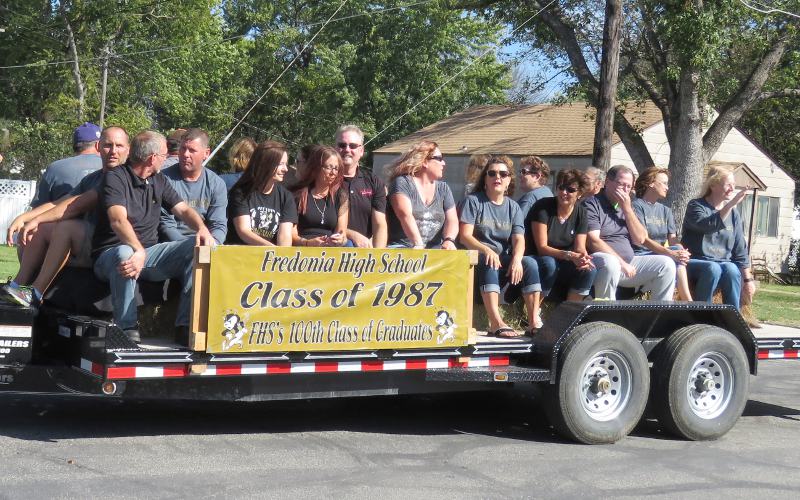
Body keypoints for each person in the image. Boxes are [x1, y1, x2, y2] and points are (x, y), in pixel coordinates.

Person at [92, 131, 215, 343]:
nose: (169, 159)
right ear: (152, 158)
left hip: (147, 255)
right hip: (110, 255)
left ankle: (185, 326)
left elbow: (184, 210)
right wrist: (138, 250)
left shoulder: (158, 180)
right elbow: (118, 220)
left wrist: (202, 229)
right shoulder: (115, 177)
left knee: (195, 248)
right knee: (125, 252)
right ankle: (127, 328)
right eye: (165, 155)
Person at [1, 127, 130, 308]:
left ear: (128, 149)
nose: (113, 151)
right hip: (90, 240)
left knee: (65, 226)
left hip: (110, 245)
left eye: (119, 146)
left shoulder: (124, 177)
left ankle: (36, 293)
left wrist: (37, 219)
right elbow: (59, 203)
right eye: (108, 145)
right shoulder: (93, 178)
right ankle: (16, 287)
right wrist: (25, 218)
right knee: (41, 228)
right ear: (98, 147)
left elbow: (73, 207)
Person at [459, 156, 543, 337]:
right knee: (491, 260)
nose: (497, 177)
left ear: (508, 181)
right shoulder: (473, 201)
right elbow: (465, 236)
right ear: (485, 179)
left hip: (502, 258)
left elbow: (519, 240)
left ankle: (533, 321)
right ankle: (495, 322)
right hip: (476, 258)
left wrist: (517, 260)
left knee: (530, 263)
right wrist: (486, 249)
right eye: (492, 173)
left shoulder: (513, 207)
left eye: (503, 174)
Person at [584, 165, 676, 300]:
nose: (625, 190)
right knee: (611, 262)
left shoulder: (628, 206)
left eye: (629, 186)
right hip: (601, 261)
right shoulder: (592, 204)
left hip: (629, 262)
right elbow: (593, 241)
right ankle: (605, 313)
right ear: (607, 182)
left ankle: (658, 314)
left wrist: (627, 209)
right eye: (621, 185)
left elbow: (640, 239)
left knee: (666, 264)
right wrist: (622, 263)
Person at [682, 165, 755, 310]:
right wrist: (732, 204)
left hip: (723, 262)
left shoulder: (734, 214)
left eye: (734, 185)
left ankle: (733, 320)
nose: (732, 189)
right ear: (713, 185)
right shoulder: (696, 206)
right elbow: (708, 225)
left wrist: (747, 280)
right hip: (696, 261)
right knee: (713, 268)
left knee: (732, 269)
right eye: (728, 184)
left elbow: (740, 248)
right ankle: (701, 315)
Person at [529, 169, 596, 302]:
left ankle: (569, 312)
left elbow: (580, 247)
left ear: (579, 194)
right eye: (561, 187)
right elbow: (542, 248)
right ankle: (533, 311)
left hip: (564, 260)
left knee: (588, 270)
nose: (564, 193)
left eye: (570, 190)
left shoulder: (581, 212)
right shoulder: (543, 206)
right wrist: (569, 255)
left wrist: (583, 257)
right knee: (550, 263)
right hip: (539, 258)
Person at [632, 167, 693, 301]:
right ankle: (688, 301)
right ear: (651, 183)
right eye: (664, 183)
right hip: (642, 254)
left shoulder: (665, 210)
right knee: (674, 255)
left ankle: (685, 300)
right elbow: (644, 240)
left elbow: (672, 239)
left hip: (661, 253)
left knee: (678, 250)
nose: (667, 187)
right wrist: (669, 252)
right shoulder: (637, 206)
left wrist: (682, 251)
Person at [159, 128, 227, 245]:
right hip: (171, 246)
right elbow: (165, 225)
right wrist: (189, 246)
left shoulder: (216, 184)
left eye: (192, 150)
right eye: (183, 148)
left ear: (206, 153)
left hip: (204, 243)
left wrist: (213, 244)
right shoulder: (163, 179)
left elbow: (218, 224)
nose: (186, 154)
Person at [385, 140, 458, 249]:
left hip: (434, 251)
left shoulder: (443, 189)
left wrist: (449, 240)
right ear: (424, 161)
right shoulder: (402, 183)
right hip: (402, 249)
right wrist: (418, 244)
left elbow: (452, 219)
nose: (443, 163)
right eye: (439, 159)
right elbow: (405, 215)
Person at [226, 140, 297, 246]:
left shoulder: (286, 197)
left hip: (271, 258)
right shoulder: (241, 192)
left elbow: (285, 236)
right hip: (241, 255)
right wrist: (271, 249)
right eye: (280, 164)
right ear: (265, 164)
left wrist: (281, 255)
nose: (285, 169)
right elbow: (244, 231)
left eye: (286, 164)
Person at [335, 125, 387, 248]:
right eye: (342, 145)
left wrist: (377, 257)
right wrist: (352, 235)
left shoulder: (373, 182)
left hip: (365, 253)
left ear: (361, 151)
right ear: (334, 148)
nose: (347, 149)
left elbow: (380, 224)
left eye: (352, 146)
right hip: (332, 249)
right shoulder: (325, 180)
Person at [30, 122, 102, 208]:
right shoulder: (112, 167)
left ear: (75, 145)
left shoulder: (55, 168)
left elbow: (38, 208)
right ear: (99, 145)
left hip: (61, 219)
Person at [292, 146, 349, 247]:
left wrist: (340, 239)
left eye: (336, 168)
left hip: (329, 253)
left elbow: (342, 234)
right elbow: (291, 235)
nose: (333, 173)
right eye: (329, 167)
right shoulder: (297, 194)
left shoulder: (341, 197)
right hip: (302, 252)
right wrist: (308, 243)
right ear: (317, 167)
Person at [517, 155, 555, 254]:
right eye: (520, 171)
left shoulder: (530, 198)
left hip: (528, 251)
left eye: (524, 172)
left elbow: (516, 225)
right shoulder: (548, 193)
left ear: (537, 176)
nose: (520, 175)